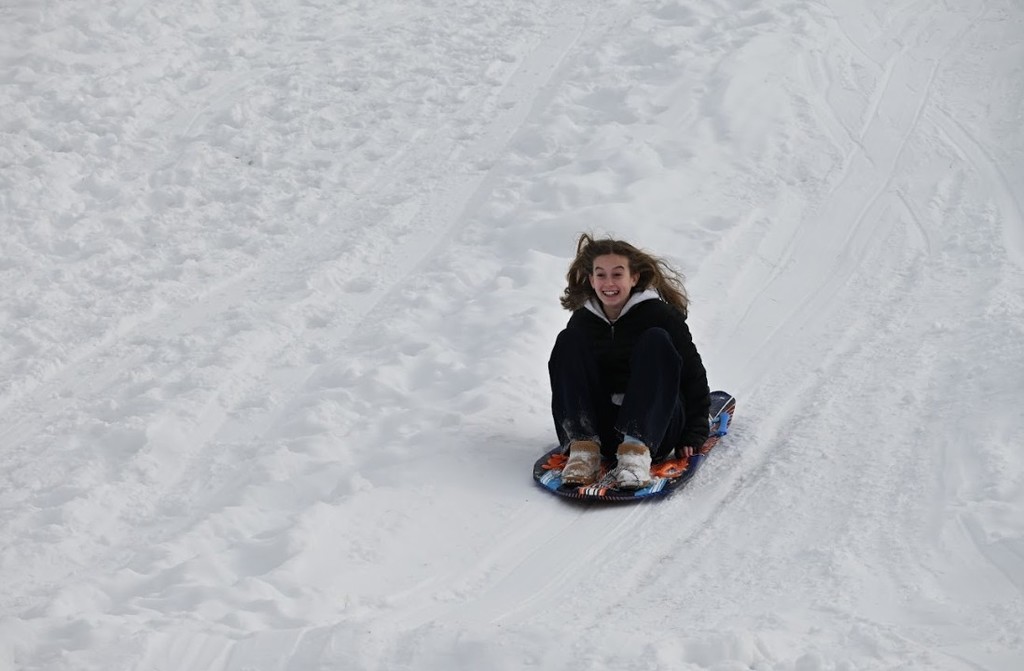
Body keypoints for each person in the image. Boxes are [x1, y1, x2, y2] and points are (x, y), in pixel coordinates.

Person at [549, 234, 711, 490]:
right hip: (604, 431)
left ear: (633, 278)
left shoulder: (661, 315)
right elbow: (570, 381)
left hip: (657, 429)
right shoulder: (583, 321)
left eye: (617, 274)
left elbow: (693, 375)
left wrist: (695, 431)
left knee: (656, 340)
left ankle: (635, 453)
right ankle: (583, 449)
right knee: (568, 341)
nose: (608, 282)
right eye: (601, 275)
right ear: (591, 280)